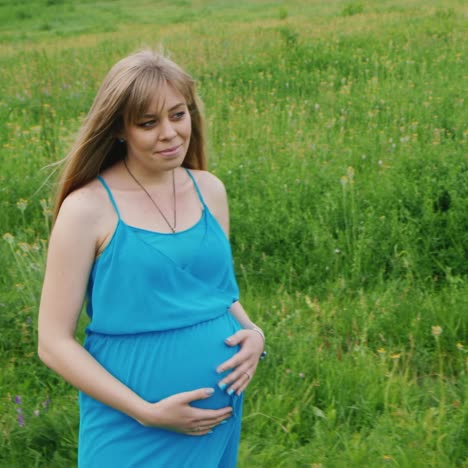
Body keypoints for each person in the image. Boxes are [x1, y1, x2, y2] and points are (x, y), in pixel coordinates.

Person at [37, 49, 266, 468]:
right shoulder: (87, 209)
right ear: (119, 129)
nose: (170, 134)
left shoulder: (209, 189)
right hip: (131, 424)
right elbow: (52, 343)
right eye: (148, 123)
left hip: (215, 420)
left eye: (178, 115)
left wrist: (252, 331)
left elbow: (210, 291)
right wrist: (146, 411)